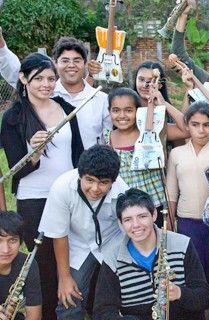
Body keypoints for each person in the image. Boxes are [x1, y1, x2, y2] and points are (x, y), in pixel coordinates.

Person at [0, 53, 85, 320]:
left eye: (51, 78)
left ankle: (74, 310)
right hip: (35, 199)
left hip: (70, 194)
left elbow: (78, 154)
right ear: (24, 79)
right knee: (46, 264)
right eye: (39, 79)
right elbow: (15, 169)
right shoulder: (13, 117)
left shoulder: (63, 105)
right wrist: (34, 154)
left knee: (74, 257)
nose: (46, 84)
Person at [38, 145, 129, 319]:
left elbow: (129, 231)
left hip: (113, 240)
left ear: (113, 181)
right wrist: (64, 278)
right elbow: (59, 234)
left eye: (103, 183)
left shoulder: (122, 192)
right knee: (70, 293)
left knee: (122, 288)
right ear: (80, 174)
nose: (95, 189)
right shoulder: (62, 187)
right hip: (77, 243)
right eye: (89, 180)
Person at [93, 188, 209, 320]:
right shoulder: (112, 258)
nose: (136, 225)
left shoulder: (182, 245)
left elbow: (204, 297)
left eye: (142, 216)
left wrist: (179, 293)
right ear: (121, 223)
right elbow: (102, 311)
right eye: (128, 220)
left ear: (154, 214)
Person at [165, 101, 209, 320]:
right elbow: (172, 191)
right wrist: (172, 223)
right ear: (188, 125)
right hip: (187, 221)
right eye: (195, 124)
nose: (201, 130)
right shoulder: (177, 154)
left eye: (206, 125)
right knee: (193, 275)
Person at [0, 36, 111, 149]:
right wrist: (1, 45)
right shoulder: (45, 93)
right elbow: (15, 71)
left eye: (77, 60)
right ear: (55, 62)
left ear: (85, 63)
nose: (71, 65)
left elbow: (114, 136)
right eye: (65, 60)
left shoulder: (101, 99)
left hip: (92, 165)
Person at [103, 87, 186, 226]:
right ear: (109, 112)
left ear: (138, 111)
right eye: (116, 110)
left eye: (129, 110)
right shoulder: (107, 138)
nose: (122, 115)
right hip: (126, 210)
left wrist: (163, 103)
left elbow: (186, 129)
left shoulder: (152, 132)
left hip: (156, 206)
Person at [0, 212, 41, 320]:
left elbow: (34, 316)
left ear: (20, 241)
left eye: (12, 240)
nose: (5, 250)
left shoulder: (28, 264)